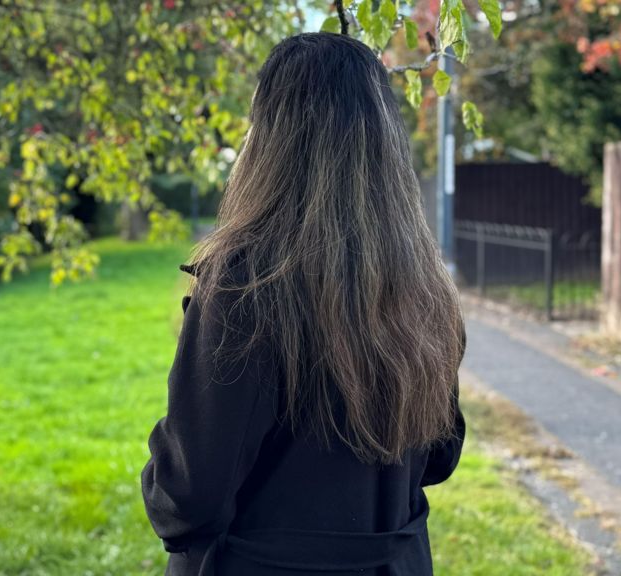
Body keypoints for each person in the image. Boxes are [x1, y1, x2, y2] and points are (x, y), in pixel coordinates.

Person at [141, 32, 466, 576]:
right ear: (385, 142)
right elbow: (438, 456)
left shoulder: (245, 285)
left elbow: (189, 497)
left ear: (270, 138)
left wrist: (167, 449)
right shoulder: (426, 287)